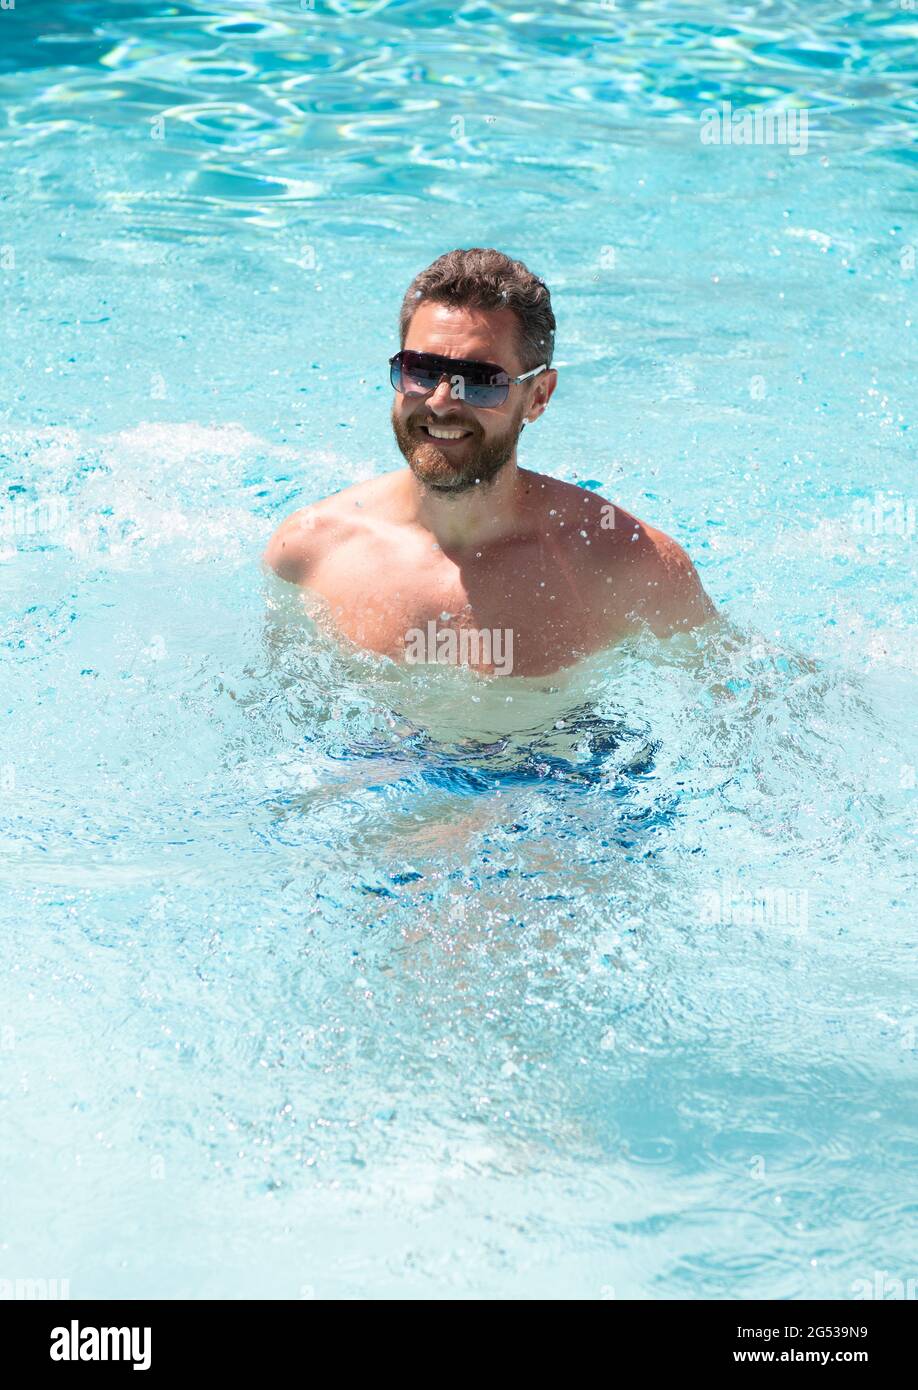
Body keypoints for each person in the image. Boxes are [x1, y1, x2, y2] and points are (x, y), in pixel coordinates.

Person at [264, 247, 714, 678]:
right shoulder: (311, 551)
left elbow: (743, 699)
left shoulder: (625, 565)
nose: (441, 402)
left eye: (478, 382)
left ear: (538, 396)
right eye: (419, 370)